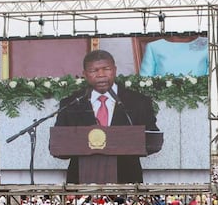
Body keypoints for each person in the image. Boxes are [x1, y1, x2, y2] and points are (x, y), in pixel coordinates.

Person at [54, 49, 160, 184]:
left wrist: (124, 142)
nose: (101, 74)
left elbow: (151, 139)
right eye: (94, 71)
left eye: (106, 69)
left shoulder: (138, 101)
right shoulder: (71, 103)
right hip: (81, 182)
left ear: (115, 70)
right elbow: (60, 144)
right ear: (85, 74)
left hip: (127, 180)